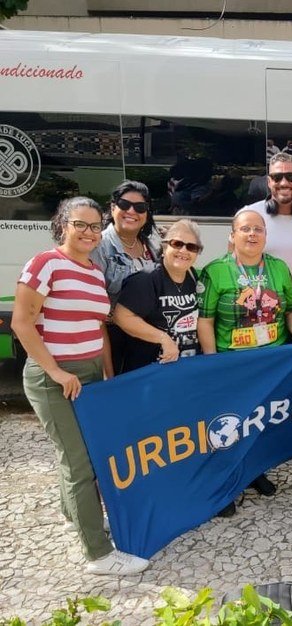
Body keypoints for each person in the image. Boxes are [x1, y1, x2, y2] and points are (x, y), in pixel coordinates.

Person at [11, 197, 149, 575]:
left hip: (87, 375)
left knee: (79, 453)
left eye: (95, 226)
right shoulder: (45, 263)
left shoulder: (93, 272)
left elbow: (97, 327)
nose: (89, 232)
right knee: (81, 463)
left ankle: (74, 513)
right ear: (62, 225)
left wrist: (106, 373)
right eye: (80, 224)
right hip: (54, 377)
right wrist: (56, 372)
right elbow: (22, 322)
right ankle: (99, 554)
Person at [198, 208, 292, 516]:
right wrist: (211, 361)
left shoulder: (278, 268)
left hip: (270, 363)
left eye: (258, 229)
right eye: (245, 229)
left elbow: (291, 310)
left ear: (265, 236)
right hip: (232, 364)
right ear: (232, 235)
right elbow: (205, 320)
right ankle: (223, 486)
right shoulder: (215, 270)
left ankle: (253, 472)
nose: (252, 234)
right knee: (228, 424)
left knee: (260, 421)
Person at [112, 219, 203, 372]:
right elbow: (121, 317)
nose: (184, 251)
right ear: (165, 246)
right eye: (177, 244)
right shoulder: (146, 278)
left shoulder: (193, 277)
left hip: (186, 370)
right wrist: (163, 338)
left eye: (192, 247)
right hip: (151, 372)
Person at [91, 180, 162, 375]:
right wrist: (107, 370)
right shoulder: (99, 247)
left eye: (140, 207)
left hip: (146, 335)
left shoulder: (152, 245)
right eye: (124, 204)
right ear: (113, 207)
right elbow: (95, 313)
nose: (131, 211)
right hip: (113, 336)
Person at [241, 153, 292, 284]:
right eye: (277, 177)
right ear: (269, 182)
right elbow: (234, 265)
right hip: (257, 296)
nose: (284, 183)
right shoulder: (247, 216)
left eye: (291, 177)